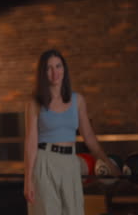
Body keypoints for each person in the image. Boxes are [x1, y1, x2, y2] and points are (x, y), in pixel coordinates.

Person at [23, 49, 121, 215]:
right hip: (45, 162)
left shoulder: (78, 100)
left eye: (58, 66)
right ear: (42, 73)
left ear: (64, 69)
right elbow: (31, 142)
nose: (55, 72)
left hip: (70, 162)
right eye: (49, 68)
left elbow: (89, 137)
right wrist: (28, 179)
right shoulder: (35, 103)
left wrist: (107, 163)